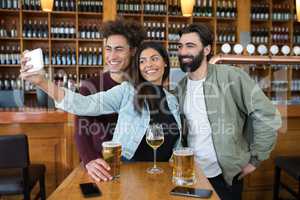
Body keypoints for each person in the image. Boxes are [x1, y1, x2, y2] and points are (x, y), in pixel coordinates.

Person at [20, 42, 182, 181]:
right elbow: (83, 104)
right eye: (142, 61)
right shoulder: (127, 91)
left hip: (163, 173)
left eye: (154, 59)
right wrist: (42, 82)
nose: (148, 65)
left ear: (165, 63)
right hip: (129, 171)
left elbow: (177, 141)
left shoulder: (172, 100)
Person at [174, 23, 282, 200]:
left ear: (207, 49)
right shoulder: (180, 88)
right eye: (180, 46)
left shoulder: (232, 76)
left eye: (190, 46)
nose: (183, 51)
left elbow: (267, 115)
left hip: (225, 177)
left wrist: (254, 160)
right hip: (190, 174)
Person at [74, 18, 145, 183]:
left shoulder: (143, 86)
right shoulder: (90, 85)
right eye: (108, 49)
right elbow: (80, 130)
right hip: (101, 166)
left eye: (119, 49)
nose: (112, 56)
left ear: (133, 51)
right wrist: (90, 160)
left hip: (136, 166)